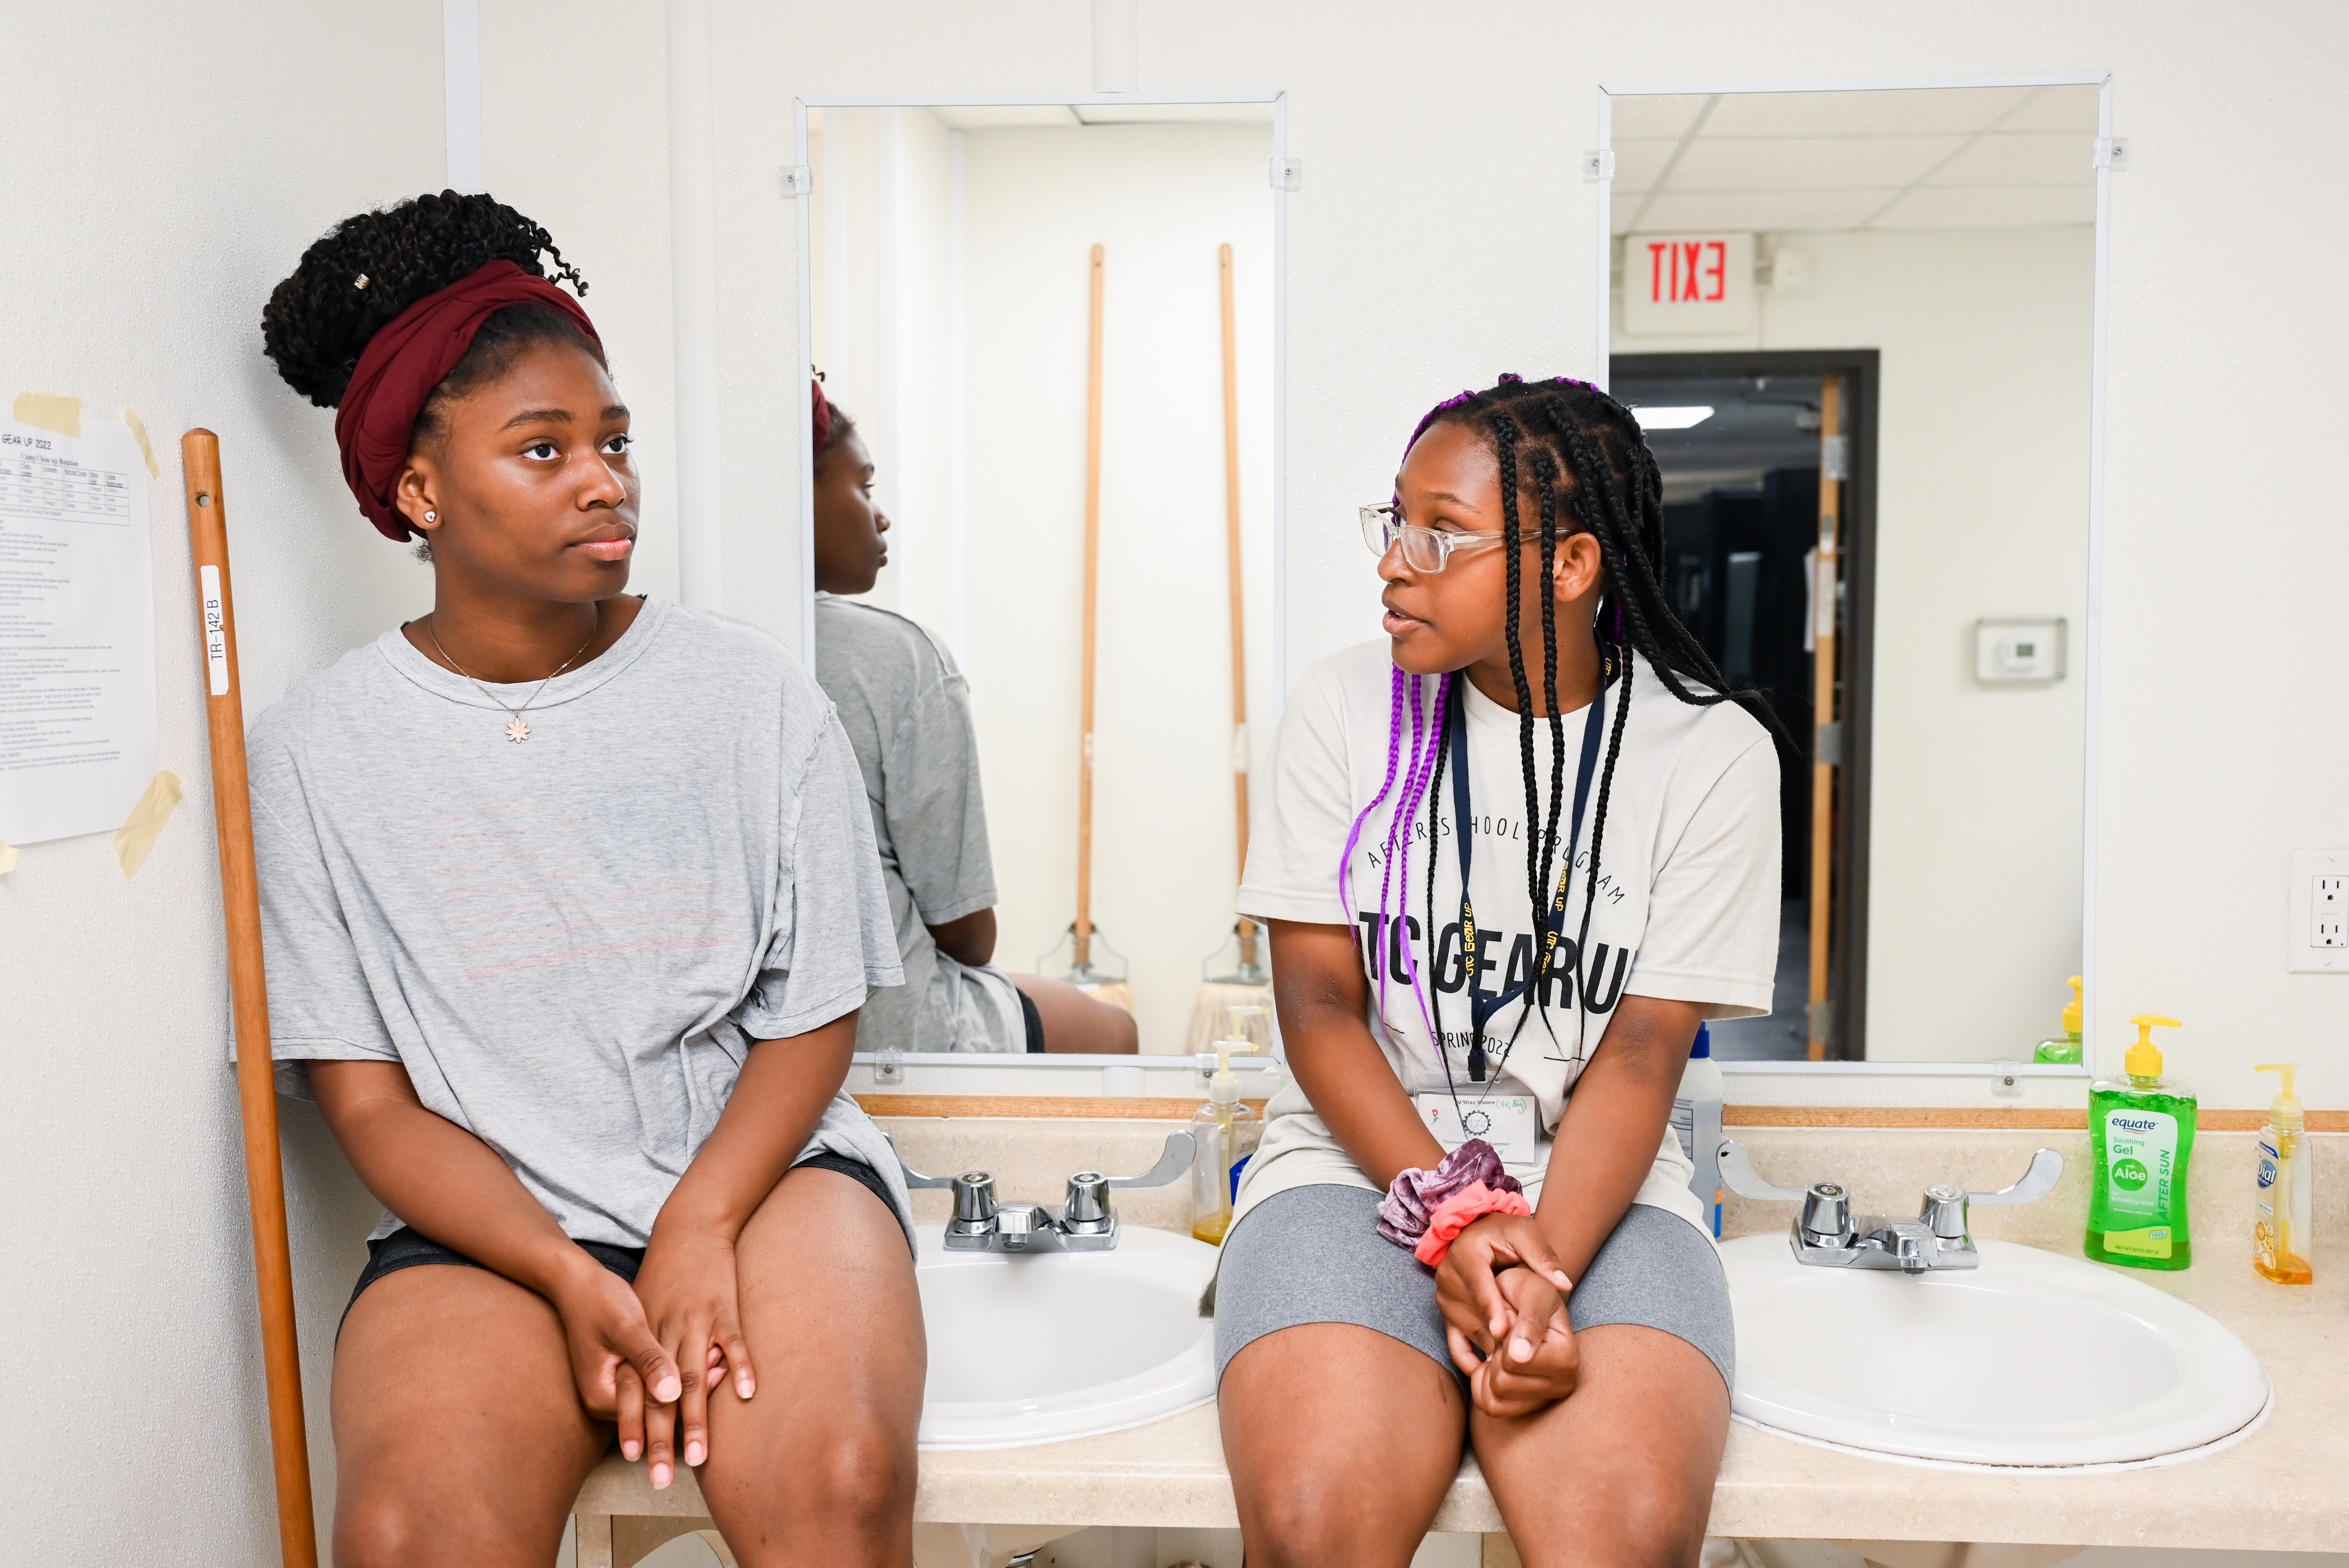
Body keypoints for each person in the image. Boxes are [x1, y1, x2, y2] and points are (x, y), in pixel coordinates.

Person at [252, 191, 922, 1568]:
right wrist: (563, 1267)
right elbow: (365, 1101)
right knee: (401, 1535)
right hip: (491, 1225)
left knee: (843, 1480)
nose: (604, 479)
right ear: (422, 493)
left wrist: (698, 1219)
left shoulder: (749, 694)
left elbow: (812, 1016)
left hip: (765, 1181)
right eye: (543, 449)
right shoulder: (319, 753)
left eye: (614, 442)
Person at [1215, 375, 1784, 1568]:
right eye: (1394, 523)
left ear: (1572, 564)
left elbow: (1640, 1050)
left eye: (1441, 532)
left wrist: (1540, 1262)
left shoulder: (1712, 755)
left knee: (1621, 1540)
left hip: (1597, 1185)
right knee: (1317, 1524)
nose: (1395, 563)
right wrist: (1458, 1220)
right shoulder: (1339, 709)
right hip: (1350, 1164)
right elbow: (1319, 1010)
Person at [807, 379, 1137, 1054]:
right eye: (863, 485)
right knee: (1115, 1030)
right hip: (890, 1026)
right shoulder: (896, 657)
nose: (880, 516)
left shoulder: (680, 645)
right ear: (794, 493)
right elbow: (968, 935)